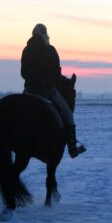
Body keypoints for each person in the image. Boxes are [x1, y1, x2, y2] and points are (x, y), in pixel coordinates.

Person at [20, 23, 86, 158]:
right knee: (68, 113)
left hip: (29, 90)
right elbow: (56, 74)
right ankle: (72, 147)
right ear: (46, 34)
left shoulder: (26, 50)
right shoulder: (50, 50)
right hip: (47, 90)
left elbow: (23, 73)